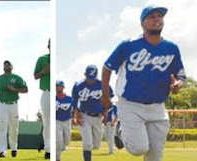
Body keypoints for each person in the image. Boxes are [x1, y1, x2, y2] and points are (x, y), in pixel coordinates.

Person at [101, 5, 186, 161]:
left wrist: (178, 85)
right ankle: (120, 129)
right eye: (152, 16)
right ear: (142, 23)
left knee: (155, 156)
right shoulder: (128, 45)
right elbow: (107, 68)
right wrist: (105, 96)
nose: (157, 19)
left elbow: (181, 76)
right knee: (138, 148)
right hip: (131, 105)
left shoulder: (171, 48)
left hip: (158, 107)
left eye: (160, 16)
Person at [0, 60, 28, 158]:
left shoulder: (17, 78)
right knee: (2, 127)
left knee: (14, 127)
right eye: (5, 64)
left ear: (12, 67)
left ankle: (13, 148)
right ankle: (2, 150)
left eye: (8, 65)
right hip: (2, 104)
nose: (6, 66)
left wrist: (15, 89)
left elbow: (25, 89)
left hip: (13, 105)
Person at [72, 65, 106, 161]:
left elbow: (108, 99)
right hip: (84, 115)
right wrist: (76, 114)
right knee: (87, 144)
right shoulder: (78, 85)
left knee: (96, 145)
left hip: (98, 117)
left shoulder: (102, 84)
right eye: (89, 78)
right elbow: (75, 101)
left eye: (93, 78)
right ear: (85, 75)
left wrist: (106, 112)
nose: (91, 80)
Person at [34, 39, 51, 159]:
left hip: (59, 94)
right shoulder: (42, 59)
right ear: (48, 45)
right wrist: (44, 71)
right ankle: (48, 149)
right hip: (47, 92)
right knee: (47, 122)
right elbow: (35, 76)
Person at [56, 80, 73, 161]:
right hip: (56, 121)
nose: (57, 87)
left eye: (59, 85)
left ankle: (62, 145)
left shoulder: (69, 99)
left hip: (67, 120)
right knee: (58, 141)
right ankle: (57, 158)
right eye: (56, 86)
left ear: (63, 87)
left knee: (67, 141)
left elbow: (74, 110)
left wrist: (75, 118)